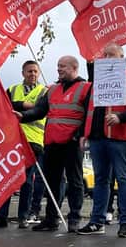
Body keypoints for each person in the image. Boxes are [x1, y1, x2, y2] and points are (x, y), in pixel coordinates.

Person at [78, 43, 126, 238]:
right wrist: (85, 133)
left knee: (124, 180)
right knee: (100, 181)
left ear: (122, 57)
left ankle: (125, 222)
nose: (106, 58)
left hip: (120, 138)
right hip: (98, 137)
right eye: (104, 55)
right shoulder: (98, 79)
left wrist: (120, 117)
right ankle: (97, 221)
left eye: (110, 55)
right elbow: (90, 109)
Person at [18, 55, 90, 233]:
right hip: (51, 142)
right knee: (52, 182)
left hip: (72, 143)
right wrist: (22, 116)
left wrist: (80, 135)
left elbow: (90, 116)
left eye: (63, 66)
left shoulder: (86, 88)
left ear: (74, 68)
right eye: (58, 66)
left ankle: (74, 218)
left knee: (75, 181)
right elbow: (39, 111)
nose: (59, 69)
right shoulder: (51, 90)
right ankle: (51, 219)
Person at [0, 60, 48, 229]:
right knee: (7, 179)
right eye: (29, 71)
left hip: (33, 140)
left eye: (36, 71)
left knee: (26, 180)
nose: (33, 74)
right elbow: (1, 105)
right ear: (23, 73)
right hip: (11, 139)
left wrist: (23, 108)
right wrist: (23, 105)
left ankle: (23, 217)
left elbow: (42, 111)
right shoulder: (13, 90)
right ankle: (1, 218)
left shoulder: (45, 91)